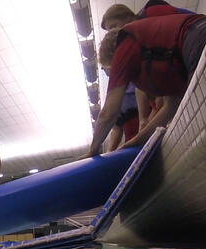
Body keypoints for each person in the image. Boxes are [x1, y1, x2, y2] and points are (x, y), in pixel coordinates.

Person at [83, 12, 206, 158]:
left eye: (112, 67)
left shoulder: (124, 44)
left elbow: (108, 113)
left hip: (197, 38)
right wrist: (138, 140)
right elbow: (171, 105)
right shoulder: (155, 52)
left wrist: (92, 151)